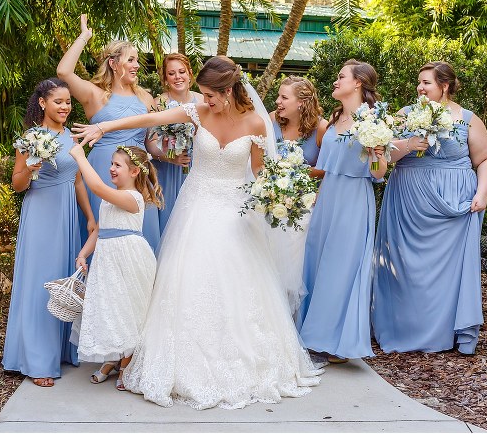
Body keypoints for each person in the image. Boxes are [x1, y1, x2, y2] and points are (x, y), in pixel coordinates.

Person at [73, 56, 322, 410]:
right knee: (186, 277)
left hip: (236, 211)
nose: (205, 100)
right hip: (196, 206)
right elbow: (151, 118)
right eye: (202, 94)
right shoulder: (197, 112)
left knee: (236, 282)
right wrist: (104, 128)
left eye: (210, 95)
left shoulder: (255, 122)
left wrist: (276, 192)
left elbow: (259, 172)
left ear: (229, 90)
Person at [372, 61, 487, 355]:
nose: (420, 88)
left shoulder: (468, 119)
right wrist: (411, 143)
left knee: (446, 274)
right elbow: (384, 156)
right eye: (419, 83)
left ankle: (445, 332)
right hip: (409, 204)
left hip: (454, 207)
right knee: (406, 269)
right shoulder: (404, 115)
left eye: (426, 83)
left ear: (445, 86)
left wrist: (483, 193)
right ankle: (402, 329)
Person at [2, 78, 95, 387]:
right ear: (42, 103)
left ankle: (61, 350)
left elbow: (78, 181)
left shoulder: (70, 136)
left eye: (68, 102)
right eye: (59, 102)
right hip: (41, 213)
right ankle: (37, 360)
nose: (65, 107)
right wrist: (33, 164)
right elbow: (17, 184)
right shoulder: (30, 137)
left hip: (68, 213)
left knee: (62, 277)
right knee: (40, 280)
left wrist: (90, 219)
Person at [297, 60, 388, 364]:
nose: (335, 82)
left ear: (358, 83)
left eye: (341, 78)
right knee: (318, 261)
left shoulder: (374, 119)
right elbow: (324, 169)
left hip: (353, 199)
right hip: (329, 197)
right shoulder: (335, 118)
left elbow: (378, 173)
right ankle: (311, 335)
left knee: (341, 268)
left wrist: (377, 154)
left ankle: (334, 341)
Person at [57, 14, 161, 253]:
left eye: (137, 60)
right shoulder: (95, 94)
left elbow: (150, 142)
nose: (136, 65)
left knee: (143, 232)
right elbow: (63, 72)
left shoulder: (145, 97)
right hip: (104, 169)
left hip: (140, 172)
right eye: (131, 60)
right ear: (114, 64)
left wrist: (166, 159)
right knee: (106, 232)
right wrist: (84, 37)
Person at [70, 145, 162, 390]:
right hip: (106, 259)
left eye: (117, 165)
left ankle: (127, 362)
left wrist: (80, 157)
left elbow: (96, 187)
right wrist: (83, 253)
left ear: (134, 172)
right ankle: (113, 357)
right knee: (110, 307)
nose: (111, 168)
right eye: (111, 163)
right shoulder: (111, 196)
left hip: (129, 258)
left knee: (129, 309)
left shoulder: (134, 198)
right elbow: (100, 229)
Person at [268, 76, 329, 316]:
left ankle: (291, 317)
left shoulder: (321, 128)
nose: (278, 102)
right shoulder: (271, 120)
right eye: (278, 96)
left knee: (294, 263)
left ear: (302, 102)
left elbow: (327, 168)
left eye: (284, 97)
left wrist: (297, 171)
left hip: (302, 203)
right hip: (271, 199)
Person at [152, 53, 203, 232]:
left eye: (181, 72)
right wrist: (170, 157)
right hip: (168, 170)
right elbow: (150, 143)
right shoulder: (158, 103)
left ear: (190, 73)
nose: (177, 77)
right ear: (165, 78)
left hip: (198, 168)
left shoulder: (203, 100)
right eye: (171, 73)